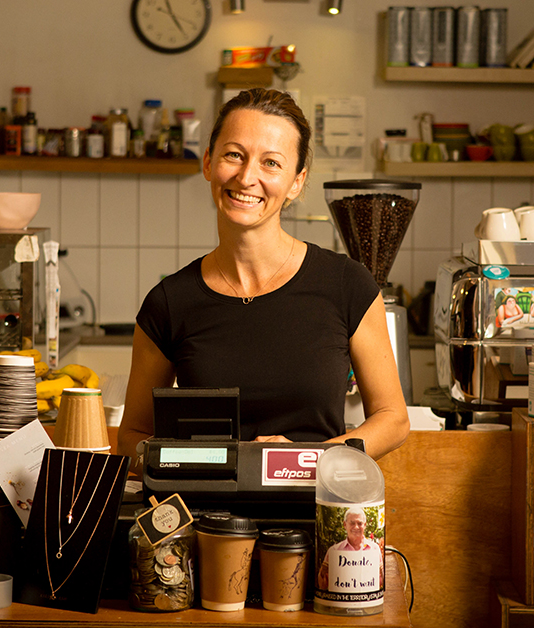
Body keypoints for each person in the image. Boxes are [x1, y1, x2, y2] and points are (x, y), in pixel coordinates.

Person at [117, 88, 409, 464]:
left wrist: (310, 457)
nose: (247, 176)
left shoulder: (346, 284)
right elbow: (131, 438)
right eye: (234, 155)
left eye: (271, 163)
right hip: (205, 520)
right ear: (208, 163)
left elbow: (393, 419)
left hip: (314, 511)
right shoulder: (169, 302)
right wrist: (212, 459)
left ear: (297, 182)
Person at [316, 507, 383, 591]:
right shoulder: (334, 551)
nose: (356, 527)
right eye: (352, 523)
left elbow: (380, 582)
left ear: (365, 525)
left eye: (360, 523)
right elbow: (323, 585)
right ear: (345, 525)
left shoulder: (374, 549)